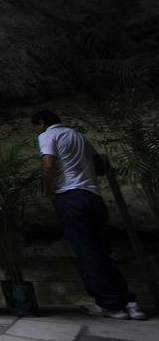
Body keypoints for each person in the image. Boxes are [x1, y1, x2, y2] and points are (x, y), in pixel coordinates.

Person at [31, 109, 147, 321]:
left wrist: (48, 190)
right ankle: (129, 302)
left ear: (41, 123)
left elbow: (48, 163)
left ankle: (109, 304)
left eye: (36, 127)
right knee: (102, 252)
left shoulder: (48, 135)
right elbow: (99, 164)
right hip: (93, 196)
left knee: (86, 253)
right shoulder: (79, 136)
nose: (36, 131)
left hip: (70, 197)